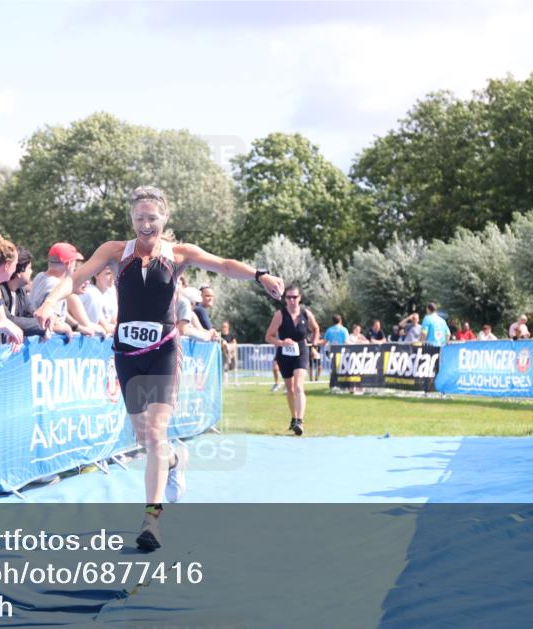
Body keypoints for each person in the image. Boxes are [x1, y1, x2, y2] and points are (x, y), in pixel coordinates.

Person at [34, 186, 284, 552]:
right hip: (126, 353)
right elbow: (75, 278)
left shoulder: (179, 254)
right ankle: (174, 459)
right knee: (142, 437)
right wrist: (50, 302)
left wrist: (260, 274)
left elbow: (224, 265)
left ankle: (151, 520)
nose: (146, 225)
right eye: (139, 219)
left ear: (165, 219)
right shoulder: (115, 251)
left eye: (152, 218)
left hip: (163, 350)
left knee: (154, 431)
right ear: (131, 220)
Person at [265, 286, 319, 436]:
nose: (291, 300)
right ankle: (293, 417)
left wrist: (313, 346)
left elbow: (316, 329)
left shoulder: (306, 314)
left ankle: (300, 421)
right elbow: (268, 336)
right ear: (285, 299)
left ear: (300, 298)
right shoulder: (280, 315)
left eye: (294, 297)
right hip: (284, 352)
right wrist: (282, 343)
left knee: (298, 386)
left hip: (301, 350)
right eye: (288, 297)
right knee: (290, 389)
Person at [0, 246, 48, 337]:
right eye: (29, 268)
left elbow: (31, 314)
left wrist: (48, 320)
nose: (31, 271)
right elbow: (8, 319)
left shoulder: (21, 291)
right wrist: (43, 327)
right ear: (19, 272)